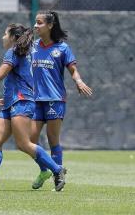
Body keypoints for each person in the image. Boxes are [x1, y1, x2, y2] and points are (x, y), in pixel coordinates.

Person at [0, 23, 66, 191]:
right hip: (13, 101)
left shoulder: (14, 51)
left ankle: (56, 169)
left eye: (5, 34)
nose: (3, 37)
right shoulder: (26, 52)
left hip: (22, 102)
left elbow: (0, 75)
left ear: (12, 37)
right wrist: (8, 97)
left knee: (24, 143)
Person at [28, 10, 92, 190]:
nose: (35, 26)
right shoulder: (33, 47)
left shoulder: (62, 48)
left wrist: (78, 81)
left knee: (52, 139)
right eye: (35, 22)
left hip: (55, 99)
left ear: (50, 25)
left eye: (39, 23)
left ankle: (58, 180)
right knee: (29, 139)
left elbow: (73, 69)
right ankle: (47, 170)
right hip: (35, 99)